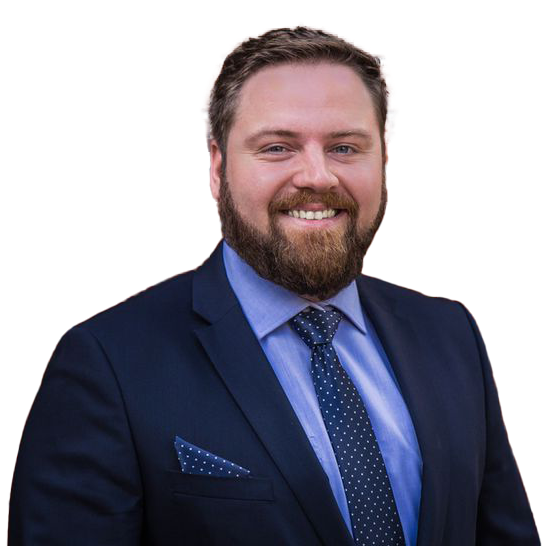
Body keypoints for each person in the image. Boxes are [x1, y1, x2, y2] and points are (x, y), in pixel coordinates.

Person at [8, 24, 540, 546]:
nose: (318, 176)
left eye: (345, 147)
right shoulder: (107, 363)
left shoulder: (450, 333)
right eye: (278, 147)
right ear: (217, 168)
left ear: (383, 161)